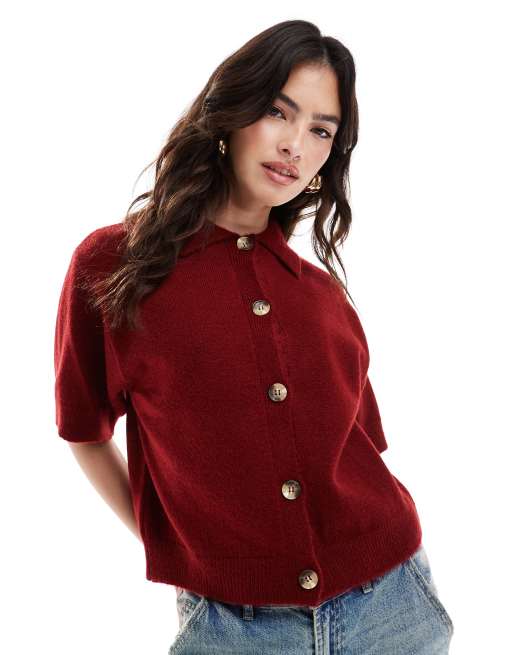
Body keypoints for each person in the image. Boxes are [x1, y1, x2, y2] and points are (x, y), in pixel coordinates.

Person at [53, 19, 454, 654]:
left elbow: (360, 450)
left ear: (328, 159)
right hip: (231, 627)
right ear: (232, 114)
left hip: (393, 609)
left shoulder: (321, 296)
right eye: (277, 111)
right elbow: (84, 431)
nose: (294, 144)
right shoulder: (113, 267)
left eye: (321, 130)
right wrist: (182, 550)